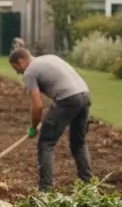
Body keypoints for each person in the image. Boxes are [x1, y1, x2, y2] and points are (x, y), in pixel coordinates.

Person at [9, 47, 93, 191]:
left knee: (46, 142)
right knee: (78, 142)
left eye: (16, 67)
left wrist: (33, 128)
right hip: (84, 95)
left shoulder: (29, 72)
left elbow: (38, 106)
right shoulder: (50, 57)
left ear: (21, 61)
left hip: (68, 98)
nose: (17, 72)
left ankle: (45, 190)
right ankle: (89, 185)